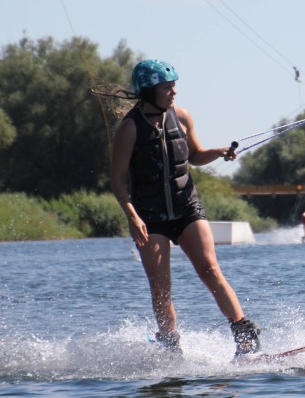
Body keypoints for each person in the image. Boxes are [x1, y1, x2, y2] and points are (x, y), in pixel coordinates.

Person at [110, 59, 260, 361]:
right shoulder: (130, 128)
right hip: (149, 217)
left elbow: (194, 155)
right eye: (167, 87)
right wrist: (132, 216)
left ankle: (245, 336)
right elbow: (117, 180)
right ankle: (170, 346)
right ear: (149, 90)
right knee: (161, 286)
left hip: (186, 207)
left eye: (174, 86)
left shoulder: (182, 117)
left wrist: (217, 152)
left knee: (209, 269)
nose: (173, 92)